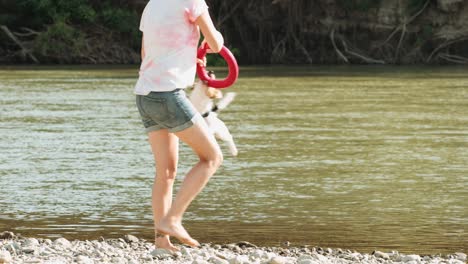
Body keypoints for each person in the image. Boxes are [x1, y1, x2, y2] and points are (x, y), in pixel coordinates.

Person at [134, 0, 224, 251]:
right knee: (212, 158)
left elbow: (147, 54)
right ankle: (173, 219)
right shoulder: (193, 2)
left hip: (145, 94)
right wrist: (217, 39)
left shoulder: (152, 5)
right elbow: (215, 44)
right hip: (168, 95)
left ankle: (161, 243)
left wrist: (191, 60)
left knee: (166, 172)